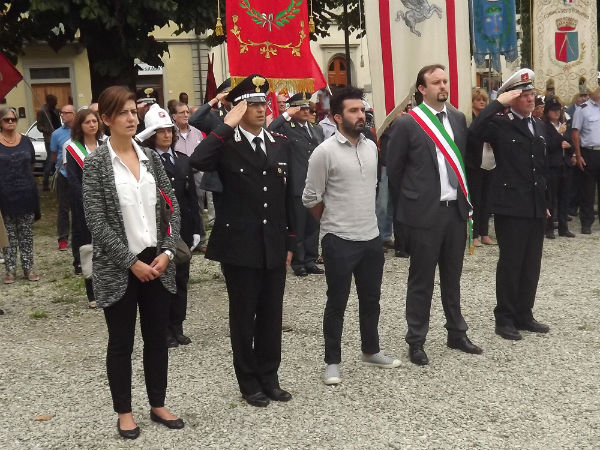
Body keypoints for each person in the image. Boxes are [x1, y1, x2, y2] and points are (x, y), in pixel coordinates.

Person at [82, 86, 184, 439]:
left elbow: (172, 207)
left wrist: (168, 251)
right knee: (121, 342)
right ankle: (124, 411)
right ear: (106, 119)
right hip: (119, 266)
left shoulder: (150, 157)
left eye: (133, 111)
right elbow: (96, 221)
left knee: (157, 337)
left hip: (156, 261)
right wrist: (130, 262)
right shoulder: (96, 162)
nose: (131, 117)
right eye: (122, 112)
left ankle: (158, 402)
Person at [189, 74, 295, 408]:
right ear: (238, 107)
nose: (261, 108)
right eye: (251, 103)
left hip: (273, 243)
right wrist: (224, 125)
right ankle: (248, 382)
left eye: (263, 102)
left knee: (270, 315)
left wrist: (291, 241)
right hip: (239, 246)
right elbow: (196, 161)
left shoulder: (279, 142)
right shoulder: (225, 144)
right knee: (244, 315)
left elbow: (288, 197)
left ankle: (270, 377)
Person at [303, 86, 401, 385]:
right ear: (336, 117)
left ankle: (370, 351)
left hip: (370, 237)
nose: (361, 115)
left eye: (362, 110)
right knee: (337, 301)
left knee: (371, 299)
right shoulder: (324, 153)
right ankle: (332, 361)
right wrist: (333, 221)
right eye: (353, 111)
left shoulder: (371, 146)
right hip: (339, 239)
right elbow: (310, 198)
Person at [386, 64, 483, 365]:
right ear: (421, 89)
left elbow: (463, 160)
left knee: (452, 277)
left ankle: (456, 332)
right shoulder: (407, 123)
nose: (443, 86)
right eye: (436, 82)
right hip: (424, 215)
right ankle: (416, 339)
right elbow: (395, 169)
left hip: (454, 212)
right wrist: (409, 206)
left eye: (445, 81)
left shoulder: (457, 118)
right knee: (421, 279)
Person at [470, 68, 551, 341]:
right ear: (512, 98)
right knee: (511, 262)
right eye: (524, 95)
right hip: (510, 205)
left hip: (535, 205)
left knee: (532, 264)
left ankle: (524, 313)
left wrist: (545, 202)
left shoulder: (538, 126)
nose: (531, 100)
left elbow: (541, 168)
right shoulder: (499, 123)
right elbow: (474, 131)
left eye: (532, 95)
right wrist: (496, 104)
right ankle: (504, 317)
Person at [139, 103, 201, 348]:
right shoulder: (146, 162)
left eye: (169, 130)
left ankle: (177, 326)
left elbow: (191, 198)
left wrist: (197, 229)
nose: (167, 135)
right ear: (152, 135)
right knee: (163, 283)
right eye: (161, 131)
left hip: (182, 228)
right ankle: (163, 329)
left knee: (182, 281)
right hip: (160, 231)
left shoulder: (183, 160)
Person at [269, 92, 325, 277]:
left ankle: (310, 259)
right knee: (298, 225)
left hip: (315, 183)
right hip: (297, 183)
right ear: (293, 109)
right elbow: (270, 130)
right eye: (300, 107)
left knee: (313, 224)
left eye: (306, 107)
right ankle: (298, 261)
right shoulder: (286, 127)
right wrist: (286, 114)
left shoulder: (316, 129)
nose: (305, 110)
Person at [65, 108, 103, 307]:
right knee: (89, 247)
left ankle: (109, 288)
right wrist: (88, 202)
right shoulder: (73, 149)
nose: (92, 125)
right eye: (87, 122)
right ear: (80, 125)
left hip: (108, 204)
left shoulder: (105, 145)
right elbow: (74, 181)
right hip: (85, 206)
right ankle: (92, 293)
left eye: (94, 121)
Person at [0, 107, 40, 284]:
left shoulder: (25, 141)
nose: (11, 122)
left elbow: (31, 164)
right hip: (4, 196)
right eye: (7, 119)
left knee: (26, 234)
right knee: (8, 236)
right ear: (0, 122)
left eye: (13, 119)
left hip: (26, 194)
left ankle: (28, 267)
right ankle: (10, 270)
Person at [172, 101, 208, 251]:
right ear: (174, 116)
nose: (186, 115)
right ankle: (181, 239)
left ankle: (201, 239)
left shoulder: (196, 132)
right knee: (180, 206)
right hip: (179, 175)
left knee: (198, 206)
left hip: (196, 173)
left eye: (187, 112)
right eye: (182, 113)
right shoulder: (171, 133)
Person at [465, 88, 495, 247]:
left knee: (487, 199)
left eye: (484, 99)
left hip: (489, 163)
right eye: (478, 100)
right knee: (475, 200)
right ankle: (473, 234)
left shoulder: (490, 118)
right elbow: (471, 137)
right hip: (474, 163)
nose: (482, 102)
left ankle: (484, 233)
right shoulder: (469, 119)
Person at [543, 97, 575, 239]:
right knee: (551, 197)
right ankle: (549, 227)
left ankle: (563, 227)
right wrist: (558, 134)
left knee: (564, 197)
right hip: (552, 165)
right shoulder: (545, 126)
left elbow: (570, 143)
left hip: (565, 165)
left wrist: (570, 147)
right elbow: (548, 146)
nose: (556, 113)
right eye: (553, 110)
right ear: (548, 111)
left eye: (558, 110)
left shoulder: (564, 124)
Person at [571, 87, 600, 235]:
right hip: (589, 152)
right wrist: (578, 154)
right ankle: (587, 222)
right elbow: (575, 133)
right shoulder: (583, 109)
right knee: (587, 190)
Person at [50, 104, 75, 253]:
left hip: (79, 174)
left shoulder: (81, 131)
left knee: (81, 207)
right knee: (63, 208)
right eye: (61, 113)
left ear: (74, 115)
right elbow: (54, 156)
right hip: (63, 174)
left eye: (66, 113)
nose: (63, 115)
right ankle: (63, 238)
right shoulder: (56, 134)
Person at [37, 94, 61, 191]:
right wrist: (47, 130)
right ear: (49, 101)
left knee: (59, 159)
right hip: (49, 139)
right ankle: (45, 183)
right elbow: (39, 126)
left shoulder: (57, 110)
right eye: (54, 101)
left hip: (59, 137)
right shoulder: (42, 111)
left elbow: (59, 122)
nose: (56, 103)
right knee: (50, 160)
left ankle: (58, 182)